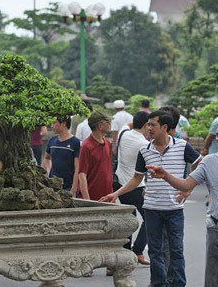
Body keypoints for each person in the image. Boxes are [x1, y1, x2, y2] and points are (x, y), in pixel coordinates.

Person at [147, 117, 218, 287]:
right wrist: (166, 176)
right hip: (217, 230)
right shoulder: (209, 161)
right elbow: (186, 184)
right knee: (214, 281)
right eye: (217, 135)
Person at [100, 110, 201, 287]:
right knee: (155, 251)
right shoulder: (144, 149)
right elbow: (136, 179)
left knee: (176, 250)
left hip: (174, 209)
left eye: (153, 124)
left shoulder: (182, 146)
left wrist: (188, 187)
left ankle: (177, 283)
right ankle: (158, 283)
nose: (149, 128)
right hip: (152, 208)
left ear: (165, 127)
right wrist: (116, 194)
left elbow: (201, 163)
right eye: (148, 124)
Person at [115, 111, 150, 265]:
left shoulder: (124, 133)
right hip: (135, 186)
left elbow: (127, 125)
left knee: (129, 217)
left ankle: (126, 253)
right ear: (145, 125)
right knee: (150, 217)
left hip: (119, 183)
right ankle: (138, 250)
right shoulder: (143, 144)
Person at [78, 110, 113, 201]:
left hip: (108, 197)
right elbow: (82, 174)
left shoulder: (107, 143)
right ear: (100, 126)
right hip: (93, 198)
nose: (110, 124)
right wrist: (87, 201)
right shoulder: (86, 146)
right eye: (108, 122)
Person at [44, 117, 80, 193]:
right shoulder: (52, 141)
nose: (51, 126)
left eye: (54, 123)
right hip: (53, 186)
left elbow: (78, 168)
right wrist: (48, 171)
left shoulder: (76, 143)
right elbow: (47, 158)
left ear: (64, 123)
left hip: (68, 186)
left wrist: (73, 189)